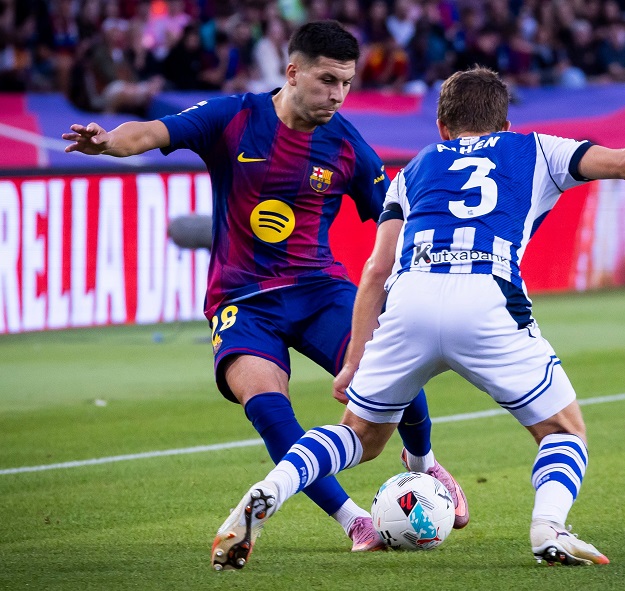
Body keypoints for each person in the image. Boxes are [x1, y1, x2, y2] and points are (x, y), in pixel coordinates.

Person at [218, 65, 625, 570]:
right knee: (563, 432)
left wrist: (354, 359)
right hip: (487, 295)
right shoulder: (538, 149)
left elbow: (376, 268)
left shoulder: (414, 169)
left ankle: (273, 487)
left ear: (442, 127)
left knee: (359, 436)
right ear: (505, 124)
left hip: (411, 297)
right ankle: (548, 526)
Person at [62, 20, 466, 560]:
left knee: (394, 360)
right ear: (292, 72)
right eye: (327, 80)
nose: (338, 95)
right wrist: (109, 141)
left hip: (318, 291)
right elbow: (153, 132)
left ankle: (424, 464)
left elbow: (396, 219)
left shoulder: (348, 145)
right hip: (241, 301)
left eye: (346, 83)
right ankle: (354, 521)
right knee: (269, 409)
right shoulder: (233, 117)